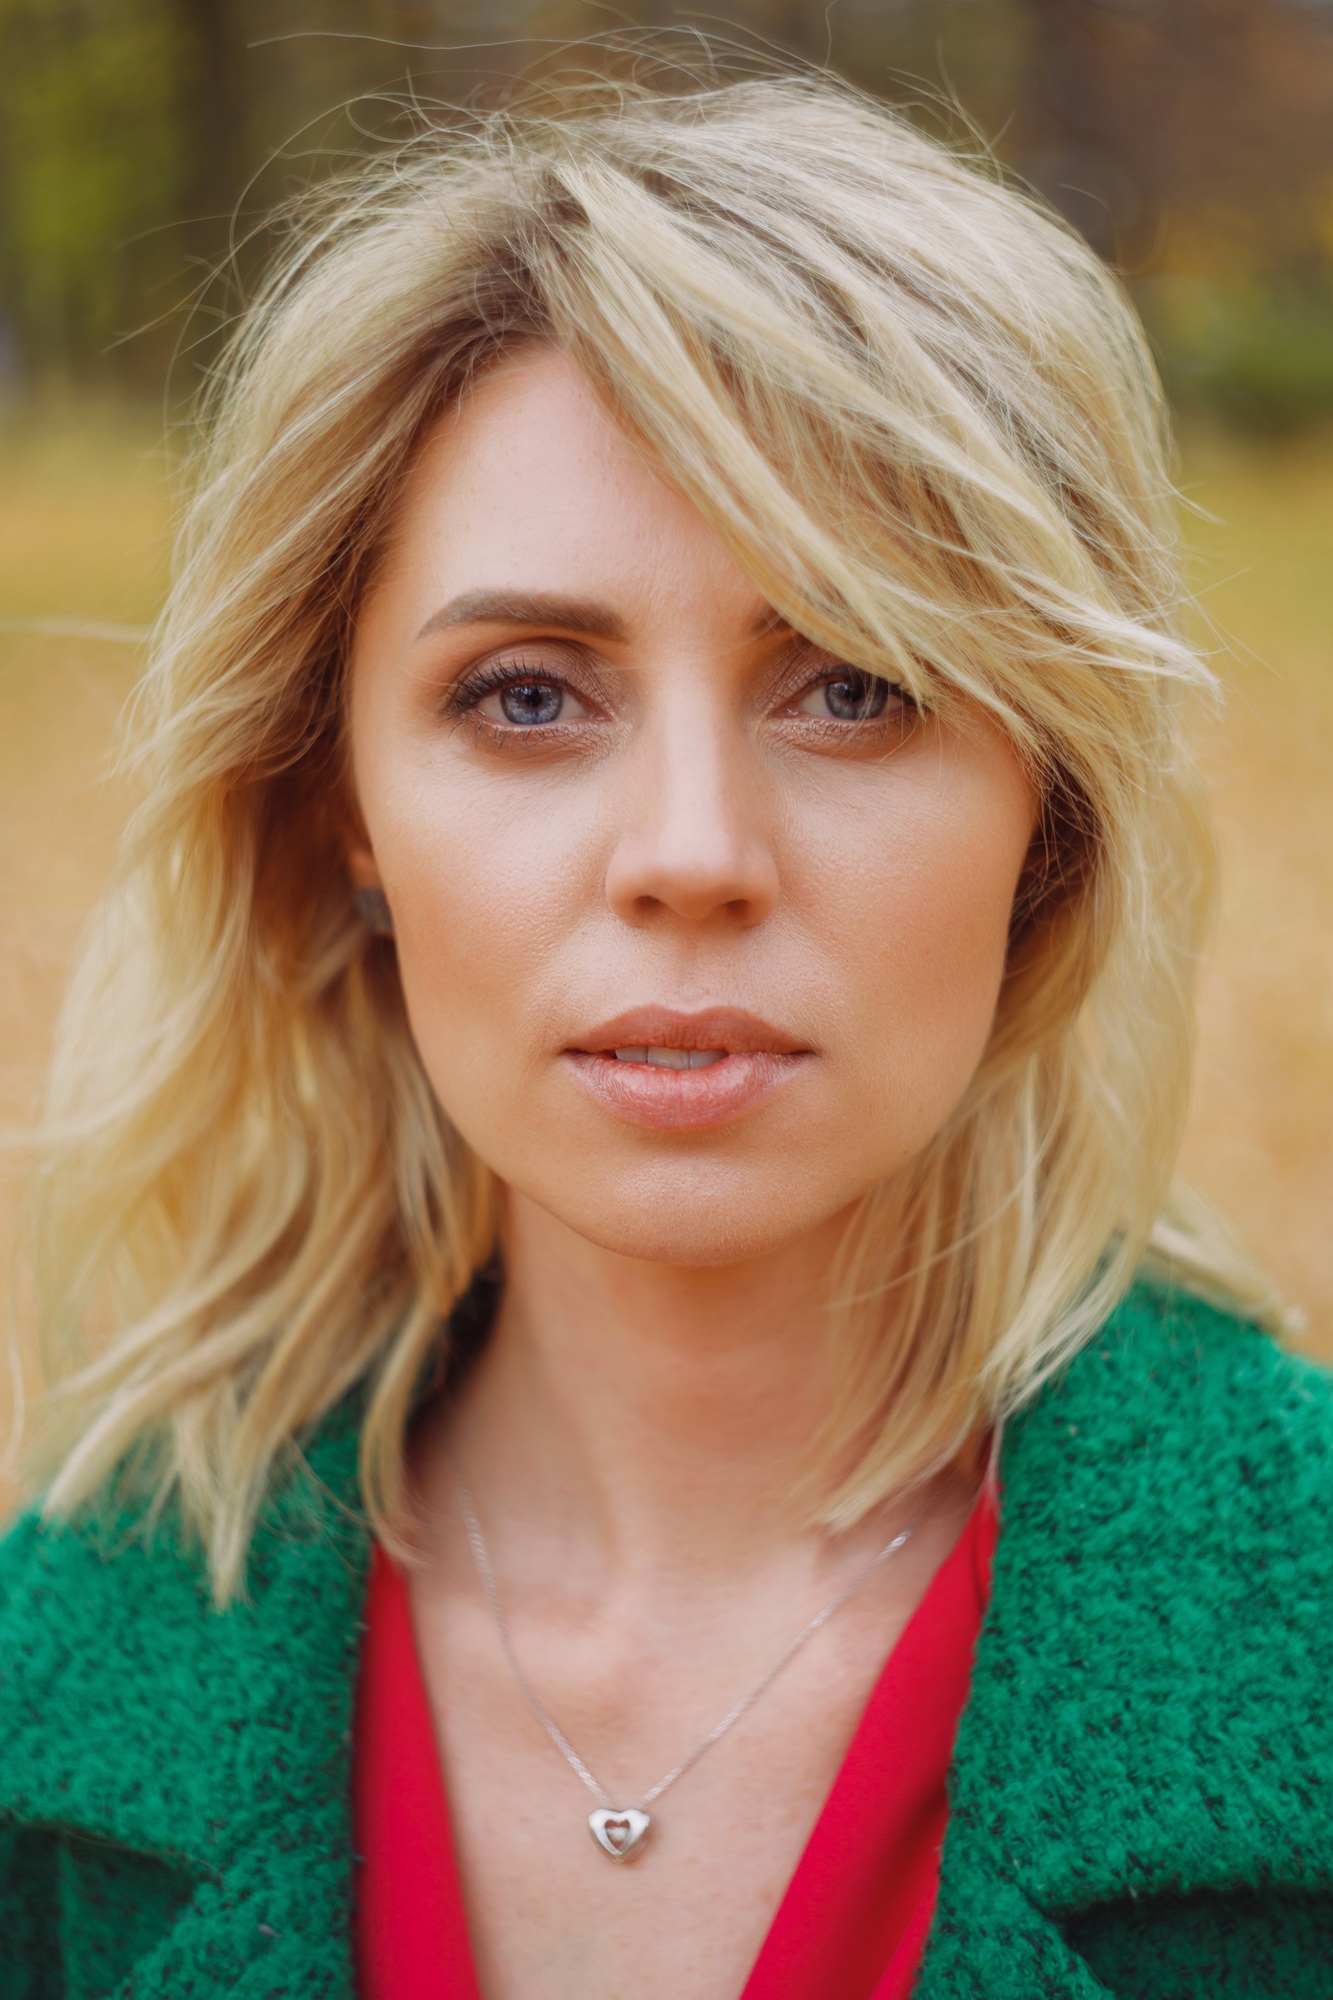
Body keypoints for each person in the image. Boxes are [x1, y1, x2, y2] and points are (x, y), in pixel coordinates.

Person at [1, 68, 1329, 2000]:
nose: (691, 854)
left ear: (1048, 810)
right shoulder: (60, 1672)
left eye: (854, 685)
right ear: (337, 807)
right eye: (528, 696)